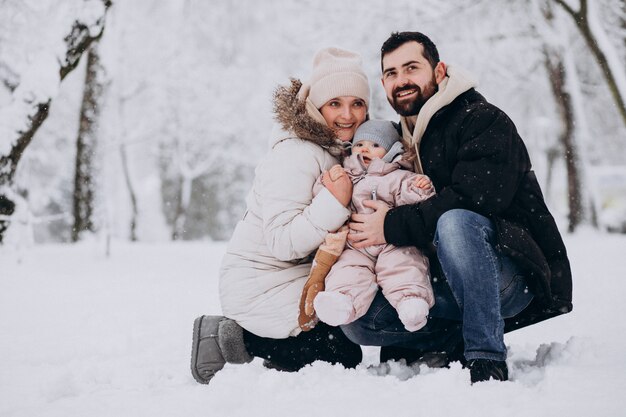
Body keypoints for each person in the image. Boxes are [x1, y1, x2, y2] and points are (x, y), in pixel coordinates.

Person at [343, 32, 573, 383]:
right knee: (359, 322)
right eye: (391, 73)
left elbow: (474, 198)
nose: (401, 80)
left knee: (456, 222)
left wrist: (389, 225)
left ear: (439, 71)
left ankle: (485, 357)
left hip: (508, 278)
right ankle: (449, 339)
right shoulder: (398, 141)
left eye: (411, 67)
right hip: (444, 279)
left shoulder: (481, 120)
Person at [190, 47, 371, 384]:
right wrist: (335, 202)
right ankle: (230, 338)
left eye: (357, 103)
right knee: (341, 353)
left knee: (352, 322)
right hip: (260, 282)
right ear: (316, 107)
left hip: (292, 276)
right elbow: (282, 242)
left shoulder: (338, 152)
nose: (348, 115)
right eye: (335, 104)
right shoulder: (296, 152)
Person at [298, 120, 435, 333]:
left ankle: (411, 302)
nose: (365, 149)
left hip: (393, 242)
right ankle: (343, 301)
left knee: (404, 264)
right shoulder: (347, 175)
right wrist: (327, 183)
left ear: (392, 151)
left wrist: (419, 188)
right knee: (347, 269)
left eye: (374, 145)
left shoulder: (398, 176)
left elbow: (413, 198)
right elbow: (326, 197)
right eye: (359, 144)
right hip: (356, 245)